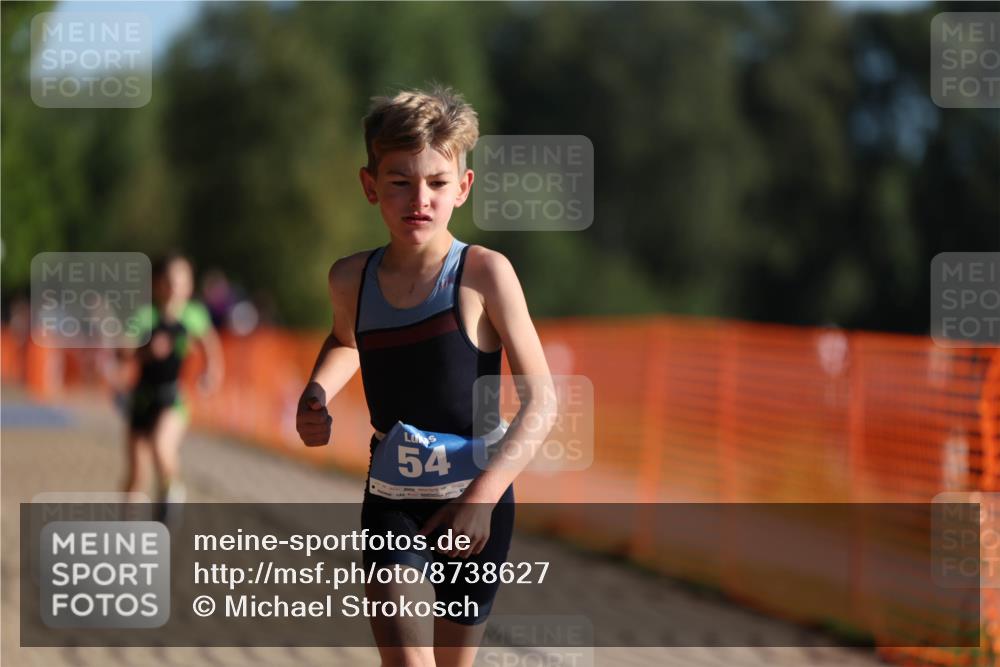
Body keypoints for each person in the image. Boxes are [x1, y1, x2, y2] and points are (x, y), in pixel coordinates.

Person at [296, 86, 556, 667]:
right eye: (400, 182)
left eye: (437, 183)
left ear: (462, 188)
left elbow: (543, 402)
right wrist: (317, 390)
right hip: (392, 494)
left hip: (476, 495)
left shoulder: (485, 274)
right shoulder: (349, 280)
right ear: (370, 187)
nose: (420, 198)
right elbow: (345, 340)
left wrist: (483, 500)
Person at [117, 253, 224, 521]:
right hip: (142, 398)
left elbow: (210, 346)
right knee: (137, 474)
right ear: (156, 284)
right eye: (168, 282)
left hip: (172, 397)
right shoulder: (145, 315)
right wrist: (146, 351)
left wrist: (211, 373)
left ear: (189, 285)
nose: (174, 288)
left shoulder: (193, 315)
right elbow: (122, 351)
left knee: (161, 446)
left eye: (181, 282)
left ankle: (171, 493)